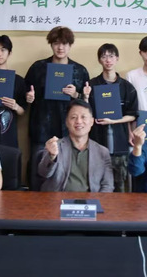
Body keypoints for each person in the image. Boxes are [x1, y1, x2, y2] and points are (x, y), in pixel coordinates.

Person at [25, 26, 90, 189]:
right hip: (41, 128)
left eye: (65, 43)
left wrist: (76, 94)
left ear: (70, 45)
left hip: (69, 131)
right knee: (38, 171)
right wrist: (29, 97)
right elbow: (25, 93)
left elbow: (86, 104)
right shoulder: (38, 67)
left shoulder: (80, 71)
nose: (60, 47)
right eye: (56, 43)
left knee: (67, 175)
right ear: (51, 44)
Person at [87, 43, 138, 192]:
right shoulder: (92, 85)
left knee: (120, 189)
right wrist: (84, 96)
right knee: (96, 187)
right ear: (99, 60)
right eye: (104, 56)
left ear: (117, 58)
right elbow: (85, 112)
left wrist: (114, 120)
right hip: (97, 143)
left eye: (111, 56)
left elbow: (133, 115)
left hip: (120, 144)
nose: (108, 60)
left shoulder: (127, 87)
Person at [38, 100, 114, 192]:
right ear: (66, 122)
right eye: (73, 117)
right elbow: (43, 173)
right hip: (58, 199)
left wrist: (97, 200)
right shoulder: (55, 146)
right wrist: (52, 156)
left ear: (91, 122)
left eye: (83, 117)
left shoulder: (102, 152)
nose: (79, 121)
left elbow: (108, 185)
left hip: (91, 200)